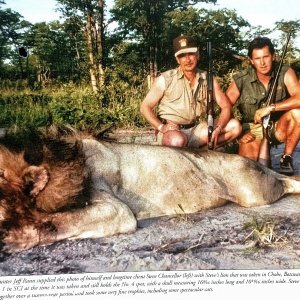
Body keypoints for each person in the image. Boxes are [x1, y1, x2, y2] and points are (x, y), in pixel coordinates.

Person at [140, 34, 242, 150]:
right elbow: (145, 107)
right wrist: (161, 127)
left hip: (196, 129)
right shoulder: (165, 79)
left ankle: (201, 152)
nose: (187, 59)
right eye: (182, 55)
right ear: (177, 59)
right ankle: (190, 155)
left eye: (191, 54)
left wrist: (218, 127)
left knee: (235, 126)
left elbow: (226, 106)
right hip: (173, 131)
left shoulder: (208, 78)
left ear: (197, 55)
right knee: (177, 140)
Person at [226, 36, 300, 175]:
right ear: (251, 60)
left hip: (278, 126)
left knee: (298, 114)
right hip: (252, 131)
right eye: (257, 58)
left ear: (273, 56)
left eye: (266, 57)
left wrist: (272, 108)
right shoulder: (242, 79)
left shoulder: (285, 72)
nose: (262, 63)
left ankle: (286, 157)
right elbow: (225, 107)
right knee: (252, 172)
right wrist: (240, 134)